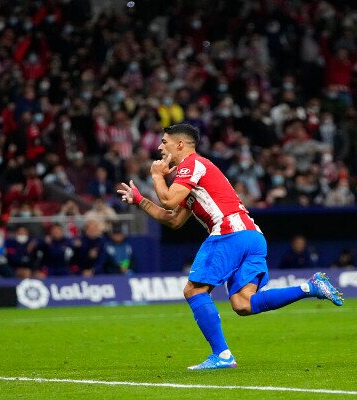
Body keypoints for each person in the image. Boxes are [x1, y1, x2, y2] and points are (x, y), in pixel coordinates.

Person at [117, 124, 343, 370]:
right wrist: (140, 199)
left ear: (180, 144)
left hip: (229, 233)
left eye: (164, 141)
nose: (160, 147)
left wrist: (157, 175)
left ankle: (222, 355)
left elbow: (169, 199)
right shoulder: (192, 177)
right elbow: (173, 219)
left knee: (193, 290)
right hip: (252, 236)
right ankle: (310, 287)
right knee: (244, 304)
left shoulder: (192, 165)